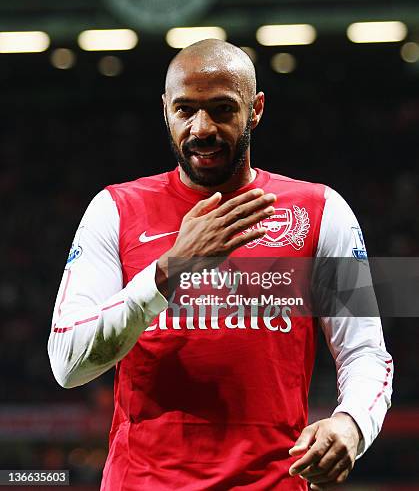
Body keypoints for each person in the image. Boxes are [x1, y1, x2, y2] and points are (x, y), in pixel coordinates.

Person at [48, 39, 393, 490]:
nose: (201, 128)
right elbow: (68, 364)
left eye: (222, 109)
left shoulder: (321, 210)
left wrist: (352, 424)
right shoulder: (114, 210)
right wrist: (170, 268)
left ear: (256, 110)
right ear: (165, 110)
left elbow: (365, 351)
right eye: (185, 110)